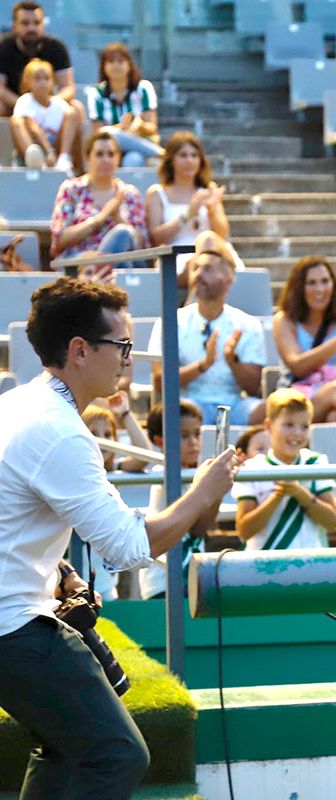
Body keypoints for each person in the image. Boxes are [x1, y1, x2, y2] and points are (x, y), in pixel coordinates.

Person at [0, 277, 237, 798]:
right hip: (12, 626)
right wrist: (202, 492)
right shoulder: (57, 428)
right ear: (80, 350)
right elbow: (129, 547)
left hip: (13, 619)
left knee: (68, 748)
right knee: (118, 756)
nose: (129, 357)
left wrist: (60, 571)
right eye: (122, 345)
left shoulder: (20, 405)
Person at [148, 245, 266, 426]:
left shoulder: (248, 324)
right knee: (178, 412)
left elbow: (253, 388)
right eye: (195, 268)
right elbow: (159, 382)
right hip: (189, 402)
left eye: (208, 269)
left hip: (235, 403)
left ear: (229, 280)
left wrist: (232, 361)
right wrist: (203, 365)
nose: (198, 274)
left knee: (268, 410)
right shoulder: (170, 322)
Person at [273, 256, 336, 423]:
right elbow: (297, 366)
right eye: (311, 283)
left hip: (334, 401)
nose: (320, 289)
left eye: (325, 281)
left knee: (335, 417)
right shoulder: (285, 320)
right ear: (299, 287)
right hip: (297, 401)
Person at [234, 388, 336, 551]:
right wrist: (277, 495)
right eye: (288, 425)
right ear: (268, 426)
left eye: (304, 426)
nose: (297, 433)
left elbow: (332, 522)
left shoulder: (315, 463)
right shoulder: (253, 468)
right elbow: (244, 530)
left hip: (308, 563)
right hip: (263, 566)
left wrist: (300, 493)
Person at [137, 400, 215, 601]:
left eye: (197, 434)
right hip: (163, 580)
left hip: (191, 579)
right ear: (161, 442)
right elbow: (195, 527)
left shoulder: (196, 476)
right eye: (183, 436)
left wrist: (218, 488)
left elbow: (201, 528)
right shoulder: (164, 473)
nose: (193, 443)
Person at [50, 129, 149, 265]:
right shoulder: (71, 189)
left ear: (118, 158)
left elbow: (142, 245)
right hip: (80, 264)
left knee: (123, 237)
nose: (106, 160)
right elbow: (59, 240)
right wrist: (100, 218)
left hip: (121, 264)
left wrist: (118, 218)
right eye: (99, 154)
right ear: (87, 158)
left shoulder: (130, 193)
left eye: (111, 154)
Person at [145, 131, 230, 283]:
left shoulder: (209, 189)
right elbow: (155, 238)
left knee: (212, 256)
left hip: (212, 253)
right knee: (200, 265)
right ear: (172, 160)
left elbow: (222, 234)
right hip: (176, 258)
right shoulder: (157, 193)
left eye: (194, 155)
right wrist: (188, 214)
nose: (189, 160)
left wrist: (211, 211)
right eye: (183, 155)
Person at [0, 1, 81, 156]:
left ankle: (71, 163)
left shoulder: (56, 47)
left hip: (48, 103)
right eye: (25, 23)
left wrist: (49, 105)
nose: (31, 28)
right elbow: (0, 88)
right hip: (13, 104)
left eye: (36, 23)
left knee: (77, 108)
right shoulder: (3, 48)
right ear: (14, 26)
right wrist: (28, 105)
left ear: (43, 24)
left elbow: (68, 88)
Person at [83, 42, 162, 168]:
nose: (116, 66)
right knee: (108, 131)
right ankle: (162, 153)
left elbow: (152, 127)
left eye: (121, 61)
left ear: (129, 65)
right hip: (109, 147)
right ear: (103, 66)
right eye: (111, 61)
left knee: (133, 160)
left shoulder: (143, 88)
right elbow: (99, 133)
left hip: (140, 142)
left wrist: (139, 126)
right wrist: (122, 128)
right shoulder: (96, 93)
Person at [10, 58, 75, 170]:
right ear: (27, 82)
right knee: (16, 121)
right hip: (36, 146)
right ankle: (33, 158)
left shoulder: (59, 104)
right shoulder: (24, 100)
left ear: (52, 82)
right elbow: (34, 128)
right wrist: (49, 151)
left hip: (56, 151)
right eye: (37, 79)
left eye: (46, 78)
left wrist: (54, 154)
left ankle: (64, 159)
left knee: (73, 111)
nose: (43, 83)